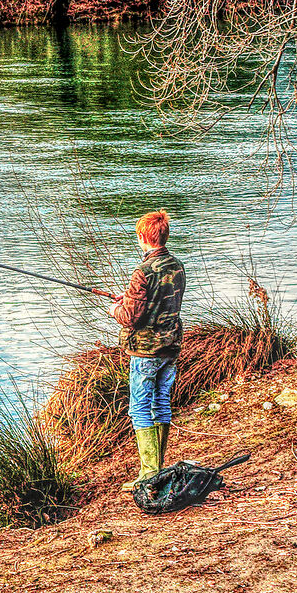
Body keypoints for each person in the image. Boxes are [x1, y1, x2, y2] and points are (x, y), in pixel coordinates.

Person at [111, 209, 186, 487]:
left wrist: (115, 309)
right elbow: (163, 298)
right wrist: (129, 297)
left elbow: (131, 317)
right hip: (172, 347)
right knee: (161, 403)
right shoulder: (177, 265)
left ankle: (149, 474)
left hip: (145, 351)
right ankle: (157, 468)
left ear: (143, 237)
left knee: (140, 407)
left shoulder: (142, 271)